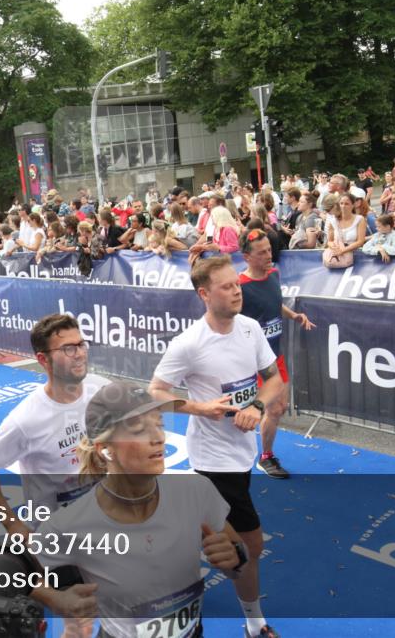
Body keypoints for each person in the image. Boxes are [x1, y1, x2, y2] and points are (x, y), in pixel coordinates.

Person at [30, 381, 265, 638]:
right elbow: (9, 576)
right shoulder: (70, 524)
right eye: (140, 430)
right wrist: (55, 600)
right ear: (105, 448)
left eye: (159, 425)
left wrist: (234, 558)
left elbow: (237, 557)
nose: (158, 438)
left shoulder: (196, 490)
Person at [149, 255, 284, 638]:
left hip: (243, 455)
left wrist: (257, 405)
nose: (236, 291)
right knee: (249, 547)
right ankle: (256, 625)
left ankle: (171, 542)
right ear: (204, 294)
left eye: (236, 284)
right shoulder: (189, 344)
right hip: (213, 461)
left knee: (219, 538)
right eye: (226, 287)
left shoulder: (250, 328)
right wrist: (199, 407)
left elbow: (273, 380)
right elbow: (155, 393)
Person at [0, 314, 111, 533]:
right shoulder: (26, 420)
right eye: (68, 348)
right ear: (43, 359)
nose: (80, 354)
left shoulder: (102, 392)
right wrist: (12, 524)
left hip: (105, 519)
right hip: (57, 535)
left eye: (81, 345)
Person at [237, 230, 314, 480]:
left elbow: (274, 302)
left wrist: (294, 315)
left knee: (279, 408)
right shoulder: (240, 286)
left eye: (269, 249)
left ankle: (263, 454)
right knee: (270, 408)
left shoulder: (274, 274)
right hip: (254, 362)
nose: (269, 255)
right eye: (262, 253)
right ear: (246, 256)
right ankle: (264, 456)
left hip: (275, 356)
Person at [325, 192, 367, 261]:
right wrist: (333, 246)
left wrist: (343, 250)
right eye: (341, 203)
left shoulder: (360, 219)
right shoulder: (333, 221)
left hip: (356, 256)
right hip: (338, 256)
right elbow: (329, 241)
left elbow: (360, 241)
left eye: (346, 204)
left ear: (353, 205)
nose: (343, 206)